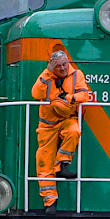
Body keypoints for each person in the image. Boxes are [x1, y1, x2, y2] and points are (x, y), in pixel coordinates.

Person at [30, 45, 92, 209]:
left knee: (74, 130)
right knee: (43, 163)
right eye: (58, 65)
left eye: (65, 64)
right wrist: (47, 73)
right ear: (52, 66)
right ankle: (50, 203)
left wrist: (69, 98)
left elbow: (85, 94)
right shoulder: (46, 77)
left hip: (67, 119)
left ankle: (63, 165)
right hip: (47, 127)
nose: (63, 68)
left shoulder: (77, 74)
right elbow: (36, 94)